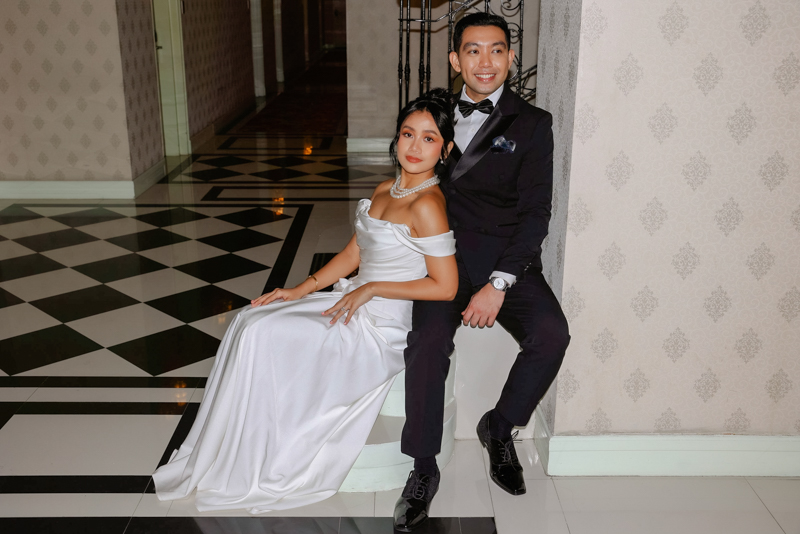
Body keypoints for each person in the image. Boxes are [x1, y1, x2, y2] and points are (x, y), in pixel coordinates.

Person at [152, 89, 458, 513]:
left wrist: (371, 289)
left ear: (446, 150)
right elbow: (354, 253)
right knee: (249, 321)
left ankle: (253, 454)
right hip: (352, 301)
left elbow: (445, 286)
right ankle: (231, 444)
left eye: (429, 138)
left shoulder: (428, 205)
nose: (415, 146)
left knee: (264, 334)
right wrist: (301, 289)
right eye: (408, 133)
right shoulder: (385, 189)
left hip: (380, 325)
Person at [393, 13, 571, 532]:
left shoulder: (533, 124)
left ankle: (499, 425)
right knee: (427, 343)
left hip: (505, 259)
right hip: (442, 261)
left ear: (510, 57)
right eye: (473, 50)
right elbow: (407, 180)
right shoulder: (435, 115)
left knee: (551, 334)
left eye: (496, 50)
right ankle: (423, 468)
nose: (485, 61)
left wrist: (498, 283)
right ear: (456, 59)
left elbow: (536, 213)